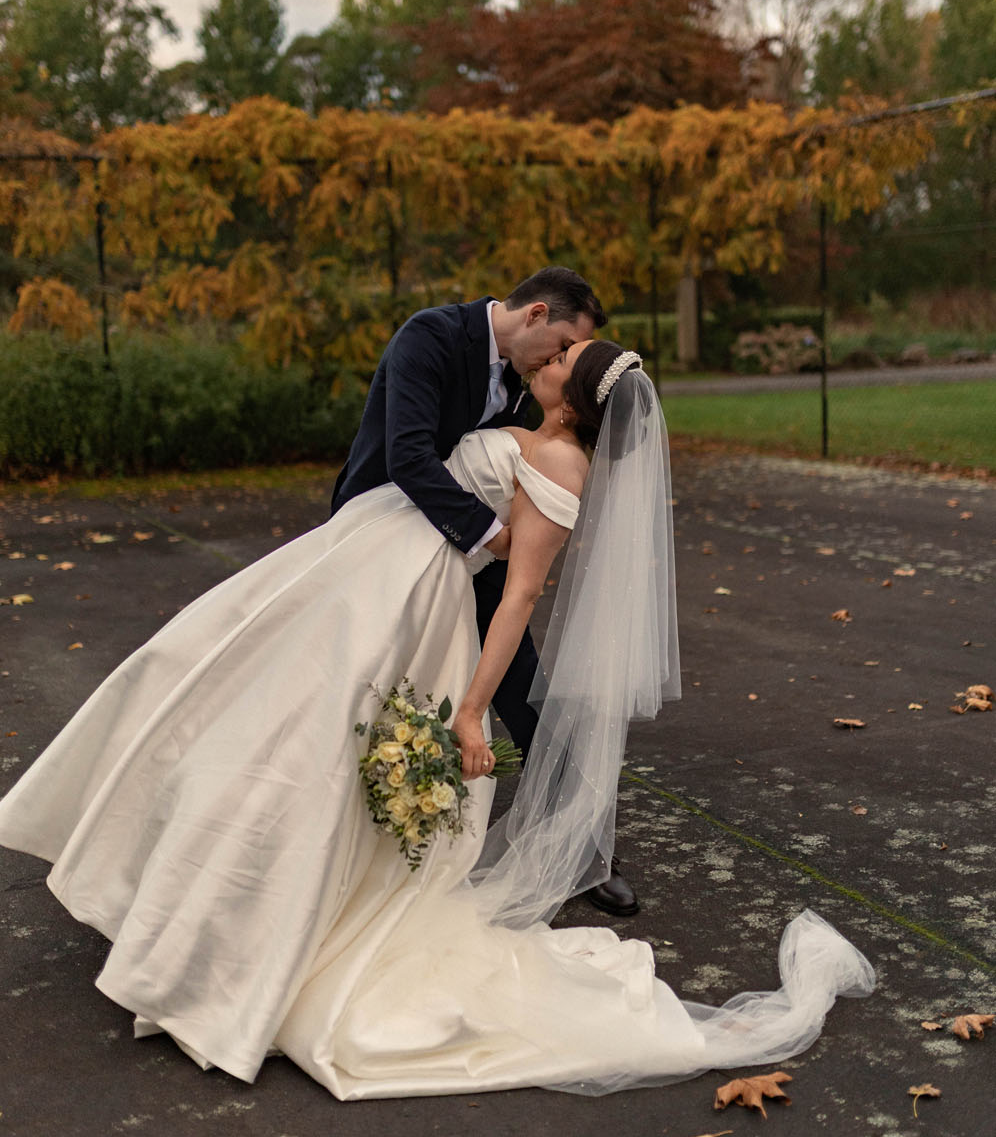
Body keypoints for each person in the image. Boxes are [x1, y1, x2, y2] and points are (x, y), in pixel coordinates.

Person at [0, 337, 874, 1098]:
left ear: (575, 399)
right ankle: (179, 903)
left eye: (564, 360)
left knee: (303, 749)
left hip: (406, 601)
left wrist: (471, 711)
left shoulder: (562, 467)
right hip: (360, 562)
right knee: (218, 685)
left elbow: (519, 595)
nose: (550, 359)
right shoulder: (531, 430)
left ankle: (231, 938)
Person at [332, 267, 638, 917]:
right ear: (532, 315)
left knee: (520, 676)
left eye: (565, 356)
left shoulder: (532, 382)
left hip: (474, 544)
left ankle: (579, 846)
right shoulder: (431, 338)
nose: (557, 360)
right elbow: (408, 456)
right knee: (366, 675)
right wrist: (493, 535)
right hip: (394, 535)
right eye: (558, 346)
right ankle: (348, 815)